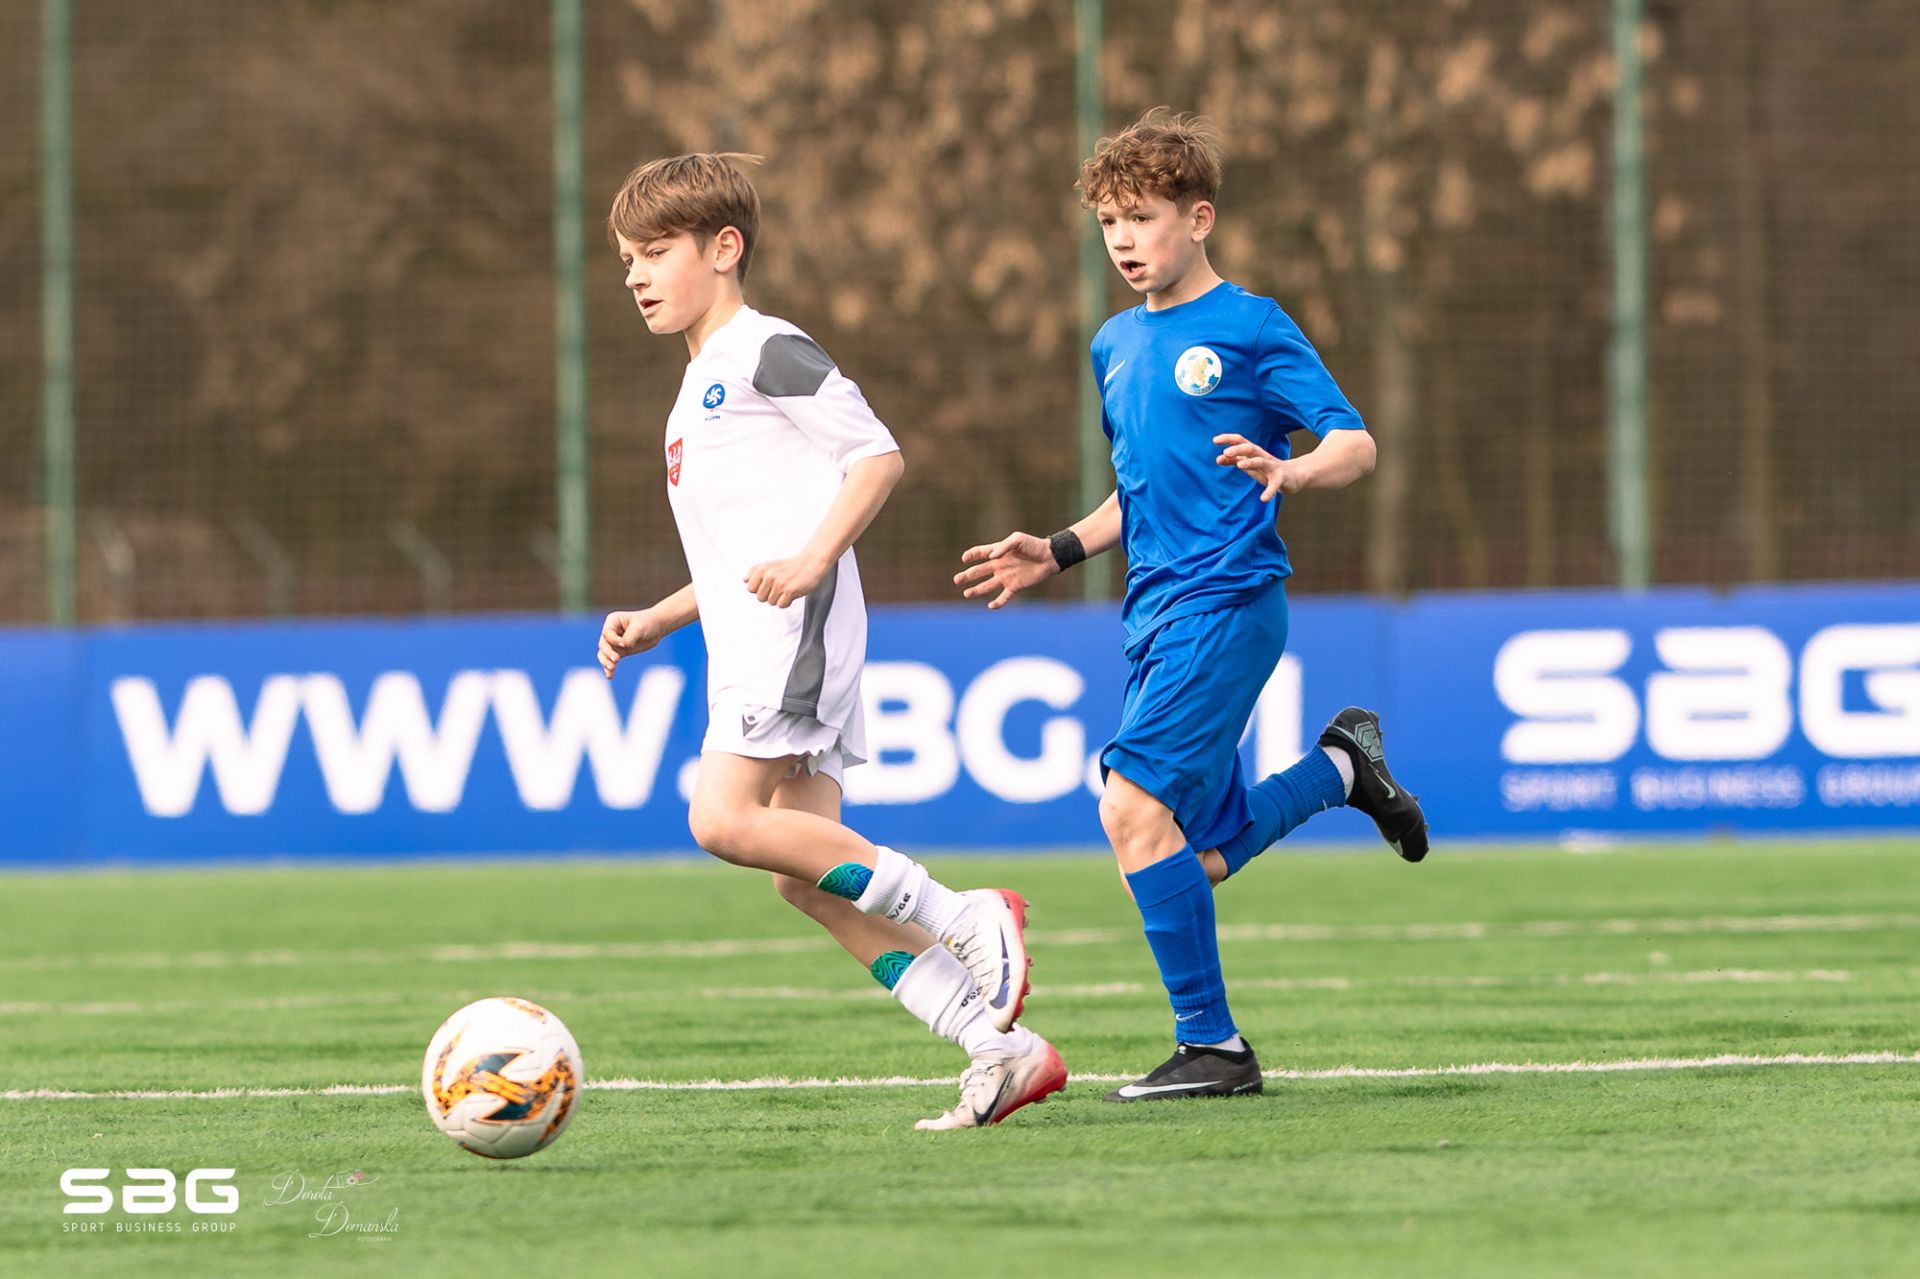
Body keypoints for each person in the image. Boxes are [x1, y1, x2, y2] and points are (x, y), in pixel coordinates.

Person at [954, 110, 1429, 1103]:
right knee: (1187, 854)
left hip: (1230, 600)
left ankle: (1212, 1045)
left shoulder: (1252, 326)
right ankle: (1342, 768)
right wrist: (1058, 549)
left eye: (1142, 218)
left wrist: (1292, 471)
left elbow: (1355, 443)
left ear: (1199, 218)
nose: (1123, 240)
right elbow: (1142, 487)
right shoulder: (1113, 344)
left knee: (1128, 807)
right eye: (1108, 223)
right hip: (1155, 614)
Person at [598, 153, 1065, 1128]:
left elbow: (876, 456)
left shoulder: (763, 347)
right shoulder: (697, 387)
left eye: (656, 251)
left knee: (719, 818)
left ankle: (966, 913)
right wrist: (659, 617)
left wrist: (814, 560)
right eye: (627, 258)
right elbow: (743, 550)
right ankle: (1000, 1047)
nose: (636, 274)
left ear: (724, 248)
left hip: (790, 635)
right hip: (754, 635)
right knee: (802, 879)